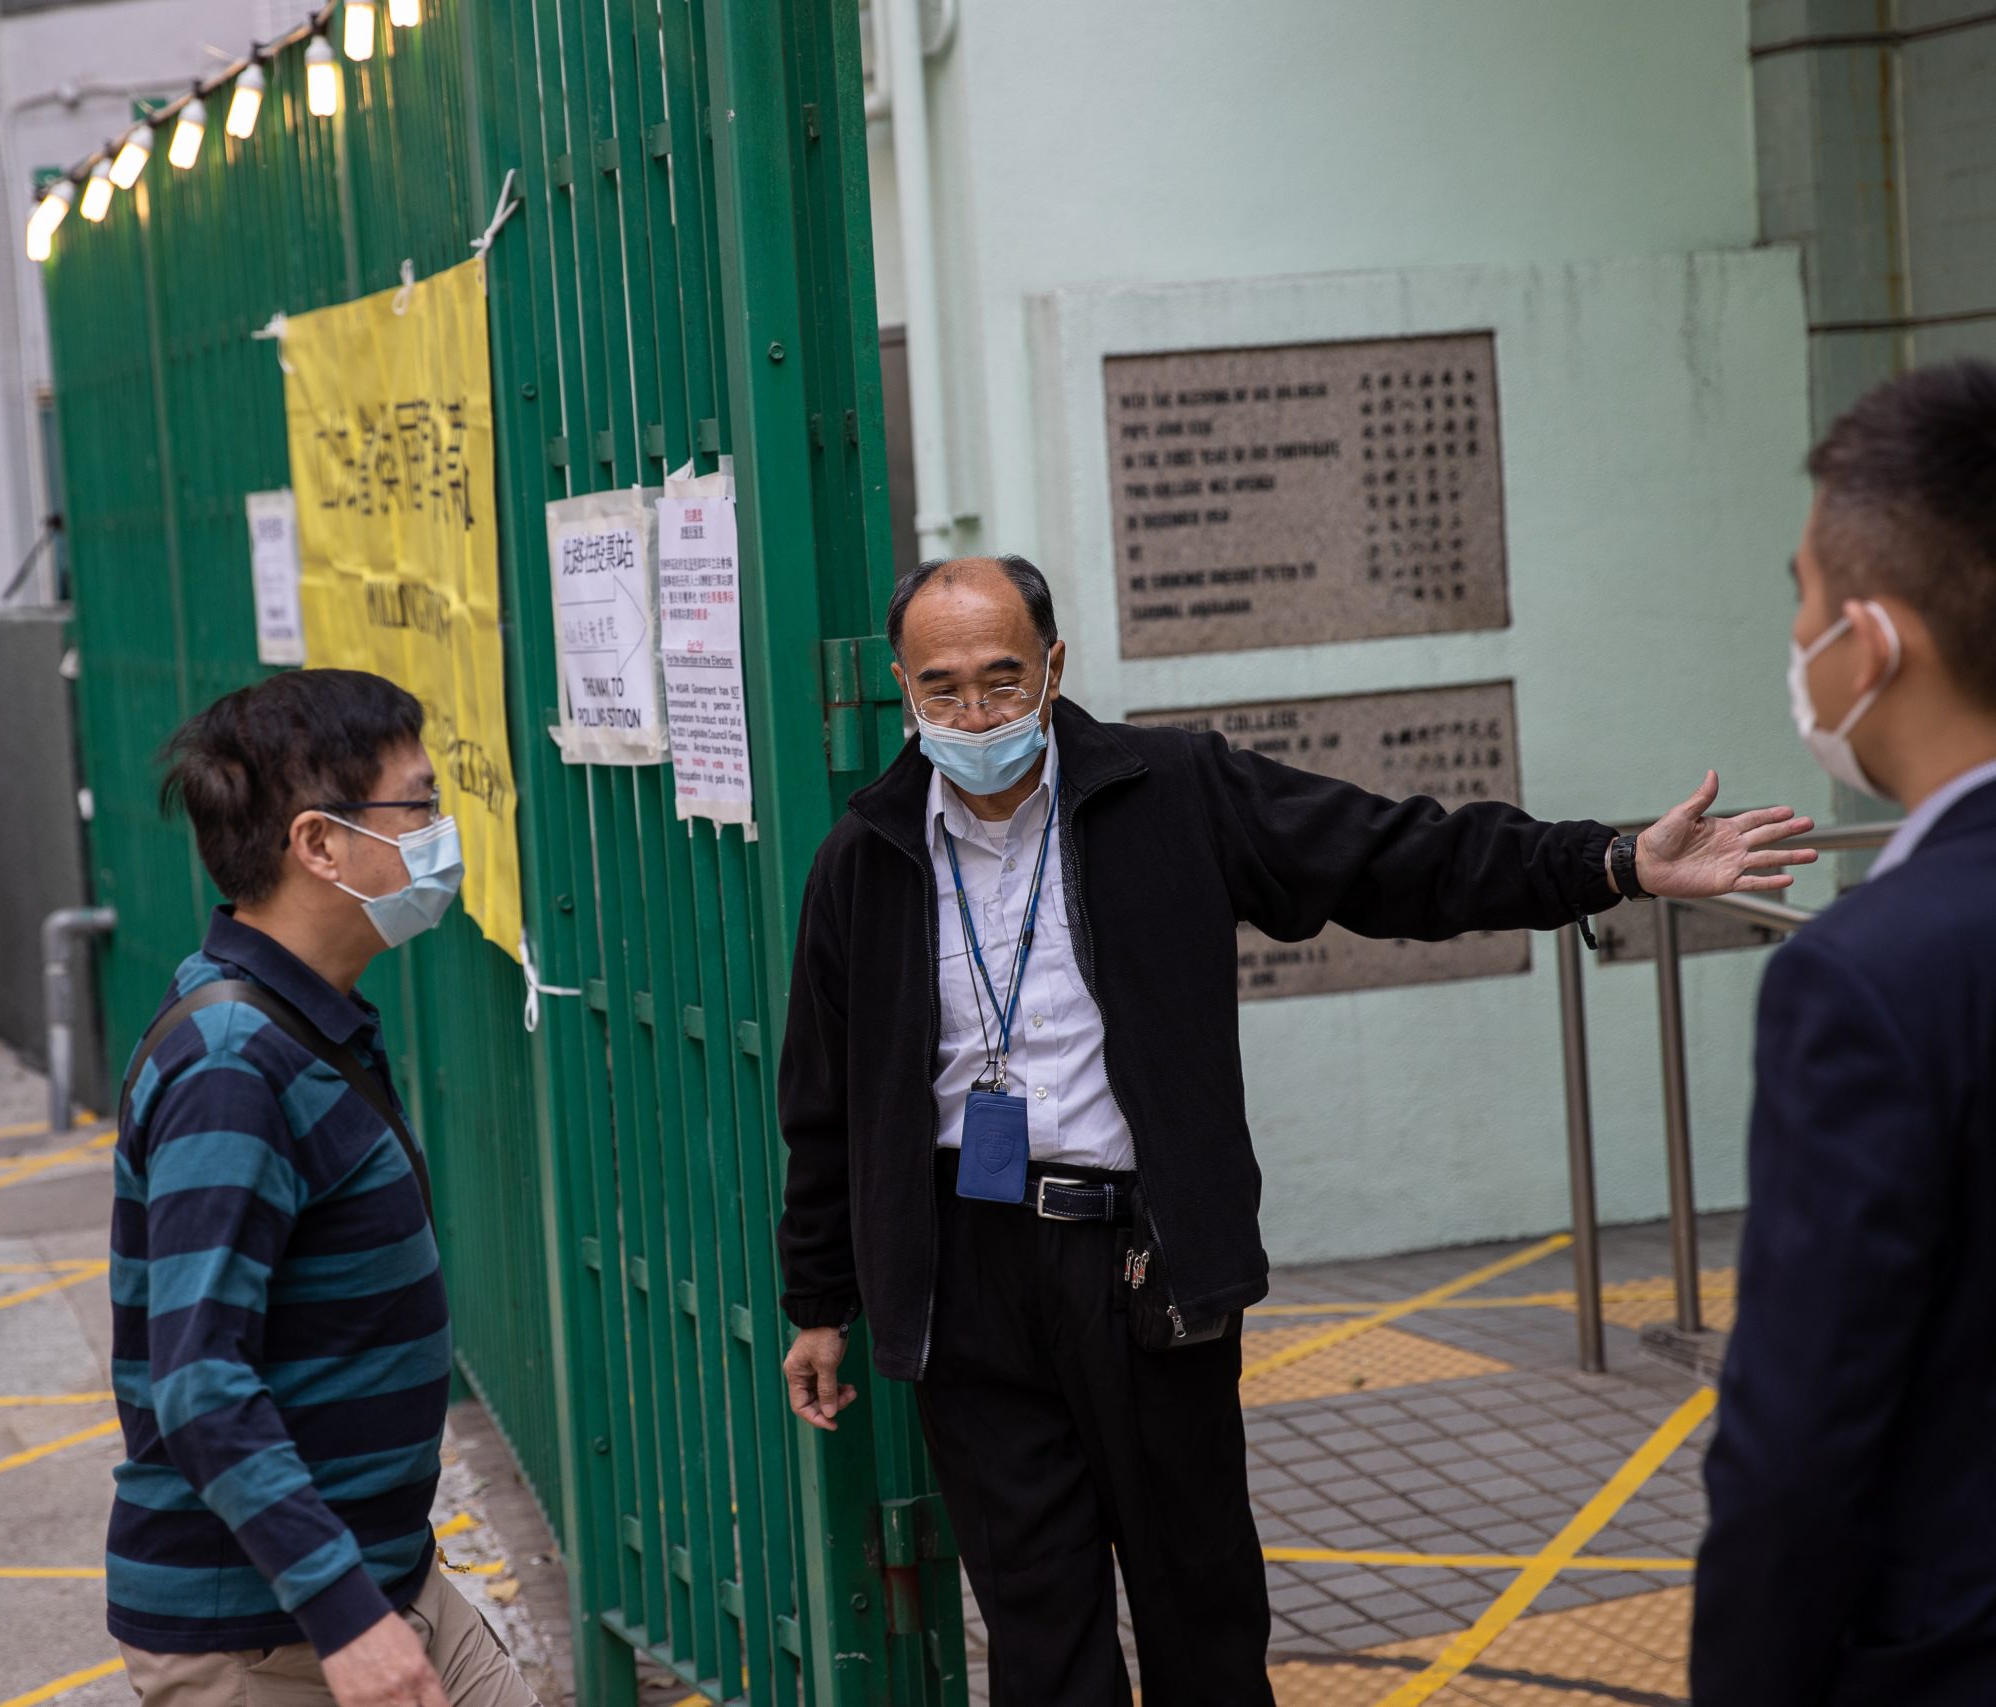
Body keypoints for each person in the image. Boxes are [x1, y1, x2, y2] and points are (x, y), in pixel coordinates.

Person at [774, 554, 1818, 1703]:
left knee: (1200, 1605)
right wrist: (819, 1302)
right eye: (943, 691)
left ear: (1054, 666)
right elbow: (824, 1102)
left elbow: (1391, 856)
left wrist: (1608, 862)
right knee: (1036, 1621)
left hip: (1140, 1264)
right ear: (902, 690)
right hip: (962, 1273)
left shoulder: (1167, 792)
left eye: (1002, 682)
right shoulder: (863, 860)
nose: (975, 716)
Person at [110, 669, 531, 1707]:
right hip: (267, 1635)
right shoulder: (231, 1063)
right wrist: (345, 1617)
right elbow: (200, 1380)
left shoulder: (301, 1018)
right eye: (419, 803)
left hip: (385, 1582)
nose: (440, 830)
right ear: (318, 844)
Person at [1692, 362, 1996, 1706]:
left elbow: (1798, 1448)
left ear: (1867, 645)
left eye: (1804, 598)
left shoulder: (1867, 980)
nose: (1801, 636)